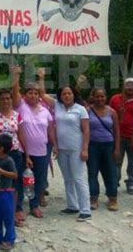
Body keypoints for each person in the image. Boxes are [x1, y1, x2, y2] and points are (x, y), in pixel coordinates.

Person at [38, 68, 91, 222]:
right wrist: (41, 77)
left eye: (69, 93)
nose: (67, 96)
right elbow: (42, 94)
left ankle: (85, 209)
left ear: (74, 95)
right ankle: (72, 205)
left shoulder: (80, 109)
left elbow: (86, 130)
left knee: (79, 178)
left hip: (76, 149)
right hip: (61, 149)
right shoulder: (57, 106)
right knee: (67, 178)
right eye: (64, 94)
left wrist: (85, 149)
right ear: (60, 96)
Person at [10, 68, 56, 219]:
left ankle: (34, 206)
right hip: (23, 151)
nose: (33, 95)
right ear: (25, 94)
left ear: (39, 96)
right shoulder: (20, 106)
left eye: (36, 93)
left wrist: (55, 145)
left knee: (38, 180)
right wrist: (16, 75)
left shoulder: (45, 111)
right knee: (20, 180)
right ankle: (18, 208)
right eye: (30, 92)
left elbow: (50, 131)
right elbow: (14, 92)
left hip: (41, 151)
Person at [0, 88, 26, 225]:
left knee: (14, 184)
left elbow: (21, 135)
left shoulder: (17, 115)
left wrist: (28, 155)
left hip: (14, 154)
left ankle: (13, 212)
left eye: (8, 98)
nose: (6, 101)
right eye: (3, 98)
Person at [109, 77, 133, 194]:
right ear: (123, 86)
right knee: (116, 160)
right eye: (127, 84)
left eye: (132, 85)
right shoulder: (115, 99)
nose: (129, 87)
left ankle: (131, 183)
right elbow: (108, 114)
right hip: (117, 135)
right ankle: (114, 182)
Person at [87, 88, 121, 211]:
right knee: (92, 172)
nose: (100, 99)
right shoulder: (88, 110)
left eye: (102, 96)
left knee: (111, 173)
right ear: (93, 97)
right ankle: (94, 198)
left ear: (106, 97)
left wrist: (117, 148)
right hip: (92, 146)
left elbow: (117, 131)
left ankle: (112, 198)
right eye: (97, 96)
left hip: (109, 145)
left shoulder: (112, 112)